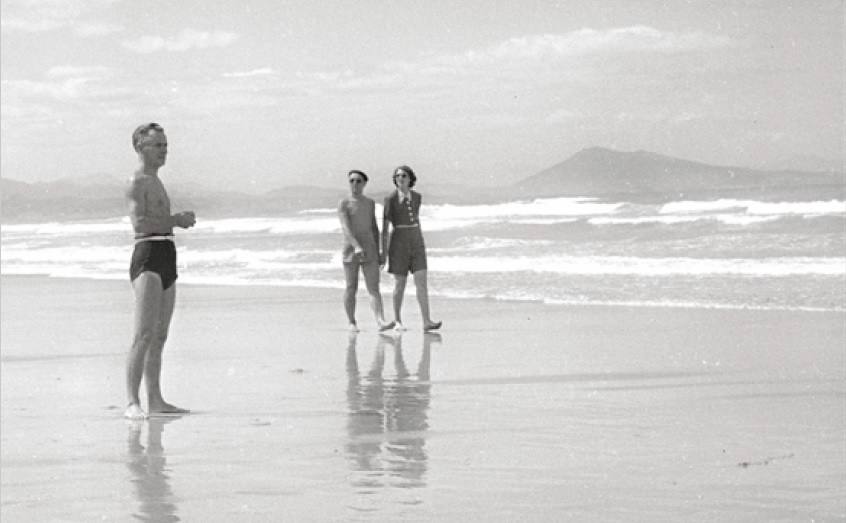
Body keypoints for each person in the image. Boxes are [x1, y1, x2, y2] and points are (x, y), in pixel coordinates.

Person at [124, 122, 196, 420]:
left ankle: (156, 399)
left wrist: (173, 223)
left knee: (161, 335)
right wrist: (175, 220)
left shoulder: (157, 181)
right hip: (148, 254)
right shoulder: (137, 182)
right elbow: (139, 224)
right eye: (157, 145)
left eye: (165, 145)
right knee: (143, 333)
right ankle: (132, 402)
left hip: (167, 253)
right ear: (141, 147)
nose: (164, 151)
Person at [381, 165, 442, 332]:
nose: (400, 178)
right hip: (398, 243)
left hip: (416, 241)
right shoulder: (390, 199)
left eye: (404, 175)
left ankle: (426, 321)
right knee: (400, 283)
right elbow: (385, 228)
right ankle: (398, 320)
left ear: (410, 179)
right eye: (398, 176)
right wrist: (383, 253)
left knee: (421, 281)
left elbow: (416, 219)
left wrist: (419, 240)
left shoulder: (417, 197)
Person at [337, 170, 395, 332]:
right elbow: (346, 228)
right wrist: (356, 246)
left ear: (364, 183)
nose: (354, 184)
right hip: (351, 250)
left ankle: (380, 321)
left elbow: (374, 228)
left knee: (373, 287)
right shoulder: (344, 203)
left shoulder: (369, 203)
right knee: (351, 287)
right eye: (352, 181)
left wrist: (381, 252)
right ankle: (351, 322)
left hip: (369, 248)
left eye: (358, 181)